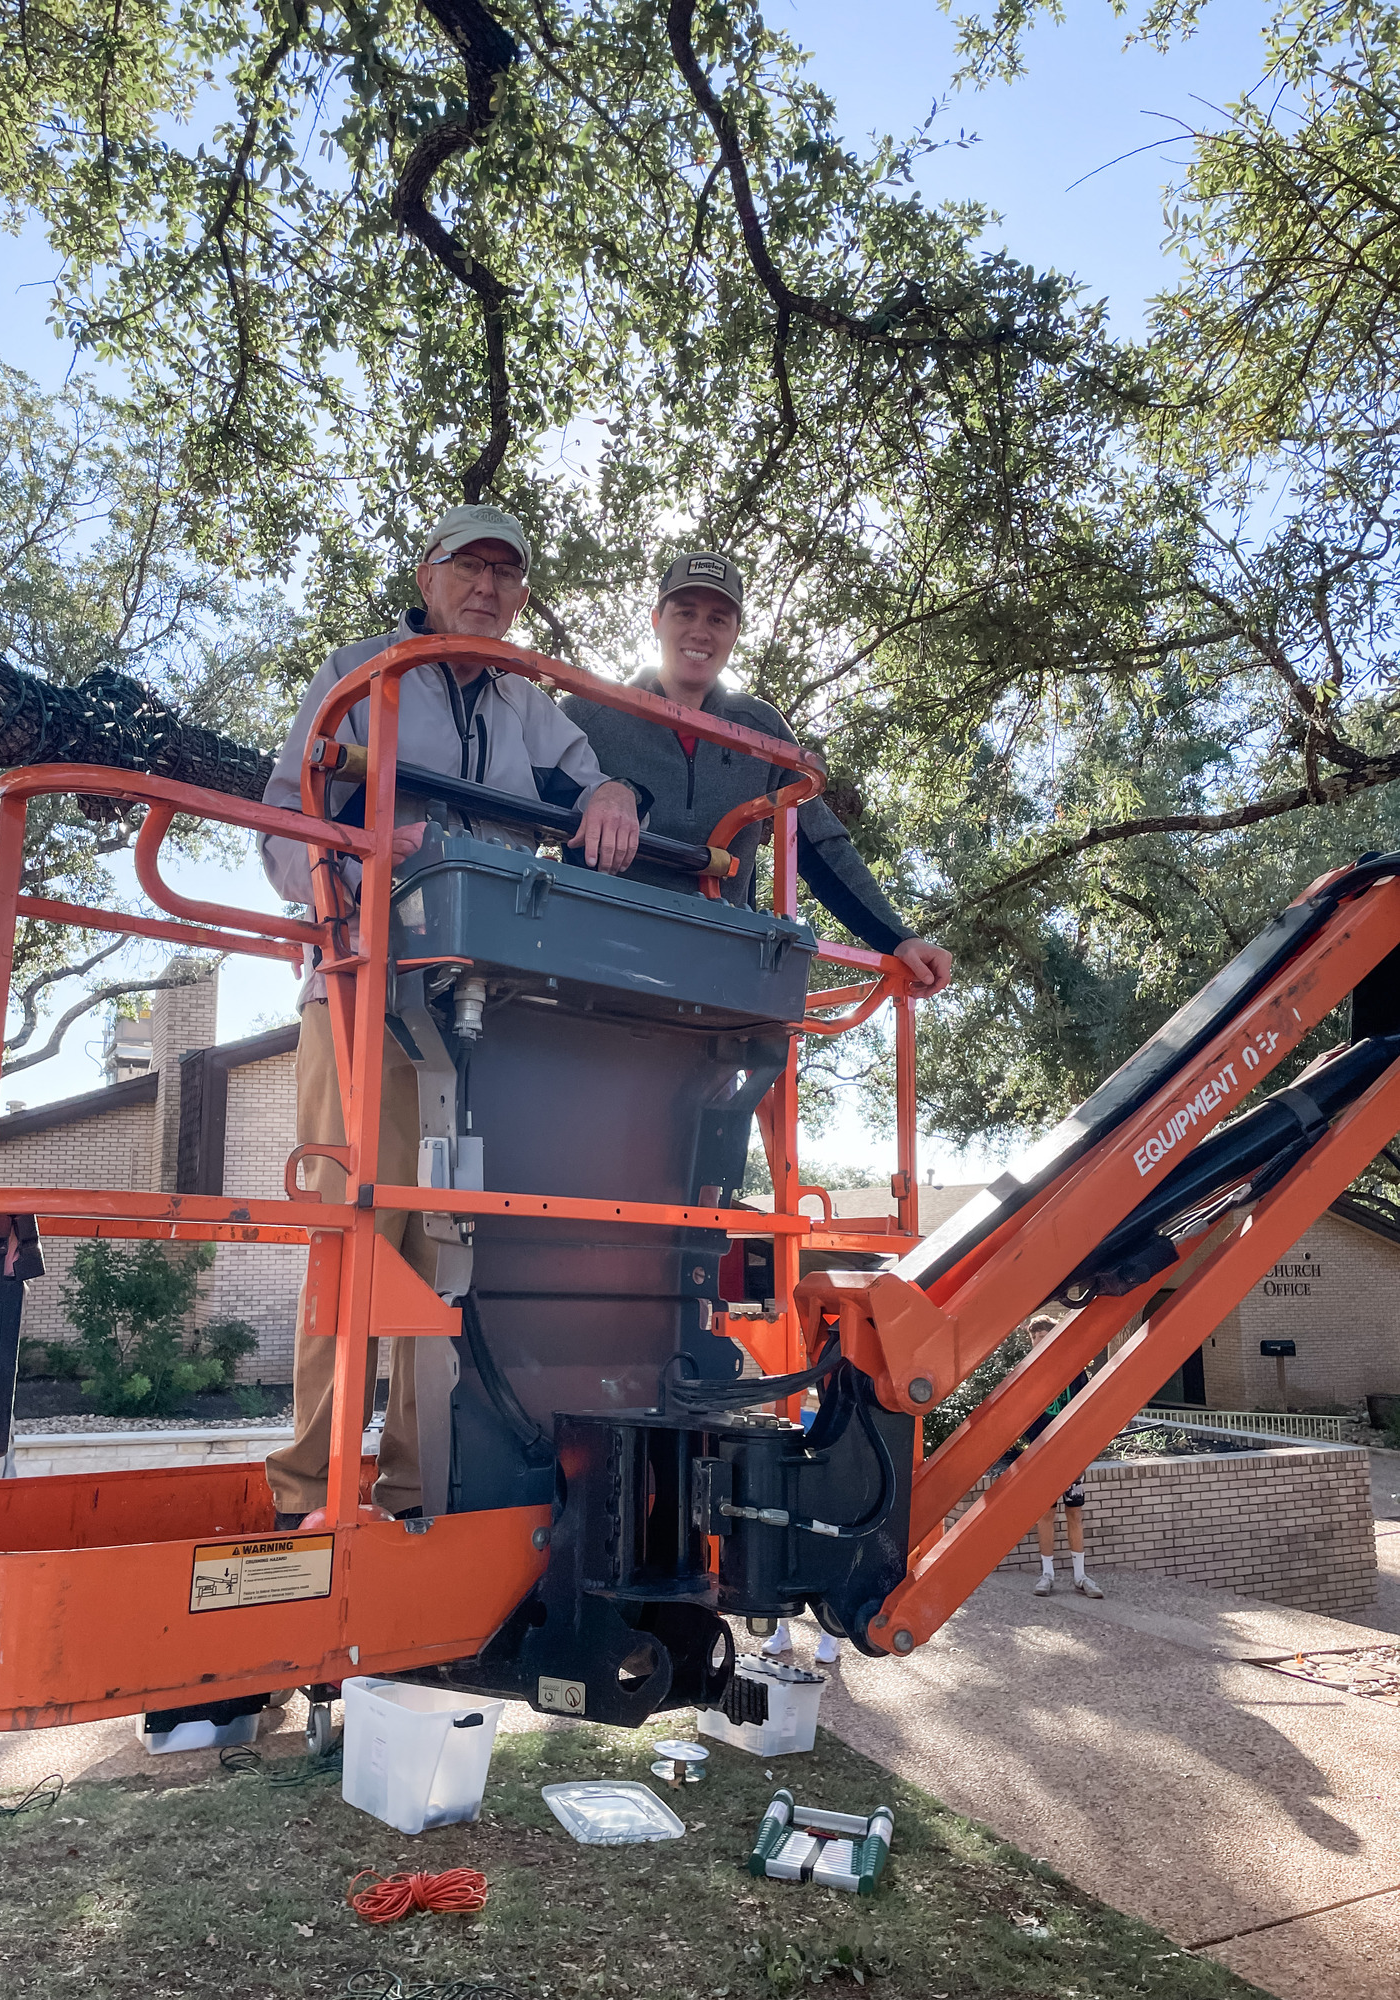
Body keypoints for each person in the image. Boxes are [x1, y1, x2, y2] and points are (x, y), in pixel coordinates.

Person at [258, 503, 642, 1528]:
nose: (486, 587)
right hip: (365, 986)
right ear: (426, 577)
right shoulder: (361, 675)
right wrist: (365, 860)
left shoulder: (526, 701)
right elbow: (285, 825)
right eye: (468, 566)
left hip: (488, 1002)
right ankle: (312, 1491)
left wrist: (612, 792)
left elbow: (589, 779)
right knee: (357, 1227)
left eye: (506, 573)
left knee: (455, 1243)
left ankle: (419, 1486)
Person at [560, 551, 953, 991]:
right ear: (656, 621)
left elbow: (820, 843)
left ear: (735, 633)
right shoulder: (588, 713)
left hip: (715, 975)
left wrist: (898, 938)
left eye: (718, 619)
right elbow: (523, 814)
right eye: (685, 613)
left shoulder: (760, 730)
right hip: (597, 959)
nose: (700, 631)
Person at [1007, 1314, 1104, 1599]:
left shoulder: (1074, 1369)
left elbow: (1087, 1406)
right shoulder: (1027, 1372)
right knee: (1045, 1513)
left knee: (1075, 1512)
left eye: (1043, 1335)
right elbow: (1020, 1414)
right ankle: (1047, 1574)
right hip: (1041, 1452)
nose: (1038, 1340)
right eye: (1034, 1336)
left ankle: (1080, 1575)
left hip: (1070, 1452)